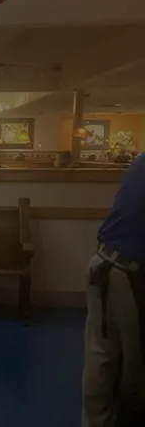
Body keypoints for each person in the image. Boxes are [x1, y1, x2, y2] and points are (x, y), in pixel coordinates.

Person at [82, 154, 145, 427]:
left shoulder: (141, 161)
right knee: (136, 377)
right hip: (133, 274)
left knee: (102, 360)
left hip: (103, 264)